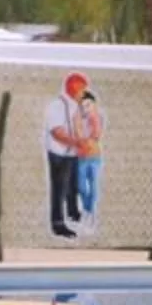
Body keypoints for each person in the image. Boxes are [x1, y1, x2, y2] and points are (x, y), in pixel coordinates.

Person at [42, 73, 87, 237]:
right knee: (59, 188)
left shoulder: (75, 105)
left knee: (73, 185)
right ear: (74, 88)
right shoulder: (57, 105)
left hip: (72, 152)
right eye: (82, 89)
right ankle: (58, 223)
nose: (84, 93)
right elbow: (57, 132)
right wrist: (75, 142)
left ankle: (73, 212)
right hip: (59, 153)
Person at [74, 88, 104, 231]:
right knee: (81, 187)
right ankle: (88, 209)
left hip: (94, 157)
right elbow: (78, 135)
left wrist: (92, 117)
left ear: (94, 104)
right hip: (81, 157)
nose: (86, 108)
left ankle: (89, 213)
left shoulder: (97, 117)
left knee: (93, 186)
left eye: (88, 105)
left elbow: (96, 135)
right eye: (83, 106)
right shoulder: (78, 118)